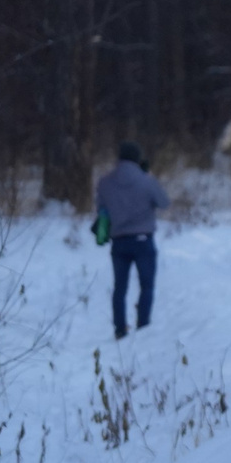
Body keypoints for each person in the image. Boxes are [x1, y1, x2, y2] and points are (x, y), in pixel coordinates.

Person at [94, 141, 170, 342]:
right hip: (143, 240)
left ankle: (120, 329)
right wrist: (149, 176)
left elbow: (101, 208)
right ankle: (143, 326)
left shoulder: (105, 182)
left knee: (119, 288)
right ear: (138, 158)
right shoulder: (146, 181)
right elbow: (164, 202)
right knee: (147, 286)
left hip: (119, 241)